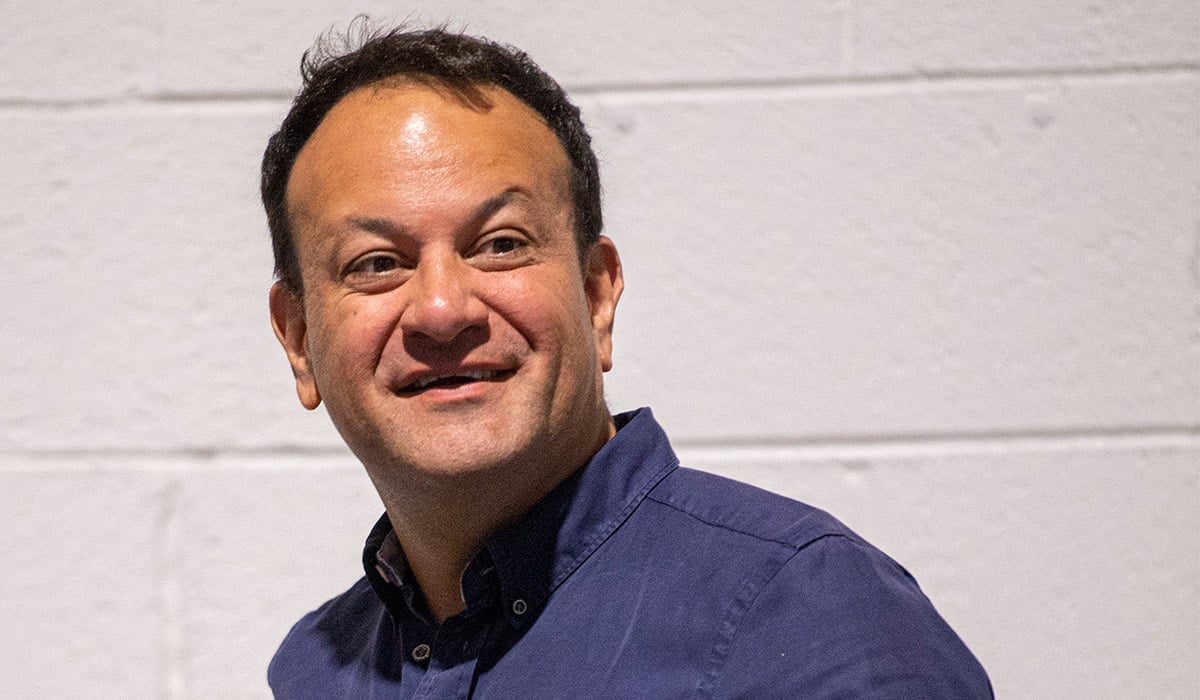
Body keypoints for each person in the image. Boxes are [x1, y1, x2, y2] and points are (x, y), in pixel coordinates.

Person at [262, 22, 993, 699]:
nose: (444, 309)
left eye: (501, 245)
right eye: (377, 262)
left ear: (597, 295)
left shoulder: (804, 614)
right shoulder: (318, 670)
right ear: (298, 340)